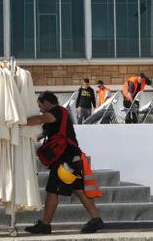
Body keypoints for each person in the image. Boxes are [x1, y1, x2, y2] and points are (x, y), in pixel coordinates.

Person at [24, 91, 104, 234]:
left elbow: (40, 119)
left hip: (65, 160)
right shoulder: (61, 114)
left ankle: (45, 224)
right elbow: (47, 130)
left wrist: (20, 121)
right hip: (72, 158)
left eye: (40, 105)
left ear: (46, 102)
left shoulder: (56, 111)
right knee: (78, 190)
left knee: (52, 190)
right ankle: (96, 219)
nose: (40, 108)